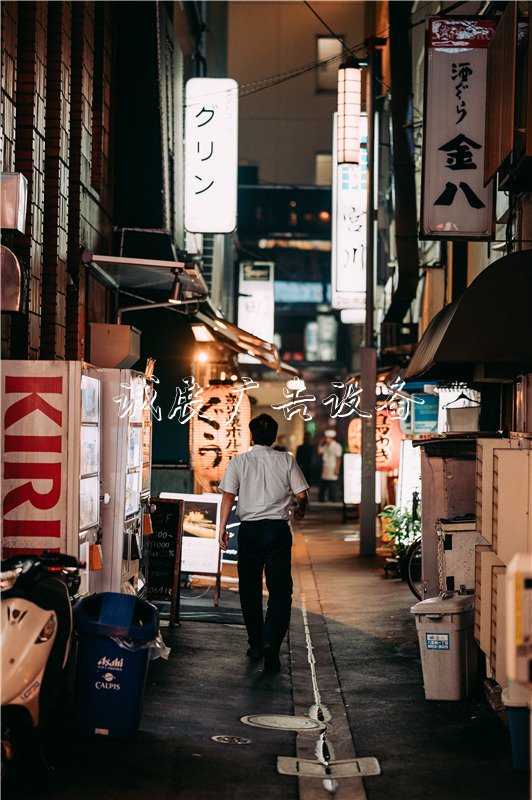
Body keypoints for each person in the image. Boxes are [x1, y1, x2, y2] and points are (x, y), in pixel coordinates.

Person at [219, 414, 309, 672]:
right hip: (277, 531)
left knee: (249, 588)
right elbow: (301, 495)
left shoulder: (240, 461)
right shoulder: (286, 461)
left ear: (251, 436)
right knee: (280, 591)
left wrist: (222, 529)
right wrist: (300, 510)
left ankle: (256, 643)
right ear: (274, 437)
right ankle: (271, 642)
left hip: (248, 531)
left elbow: (228, 496)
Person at [317, 429, 342, 502]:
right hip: (326, 467)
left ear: (331, 438)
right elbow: (319, 451)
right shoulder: (325, 446)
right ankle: (321, 498)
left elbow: (338, 458)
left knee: (332, 484)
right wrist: (320, 443)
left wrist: (337, 469)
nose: (326, 439)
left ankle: (333, 498)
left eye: (327, 438)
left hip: (333, 467)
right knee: (323, 484)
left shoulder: (337, 446)